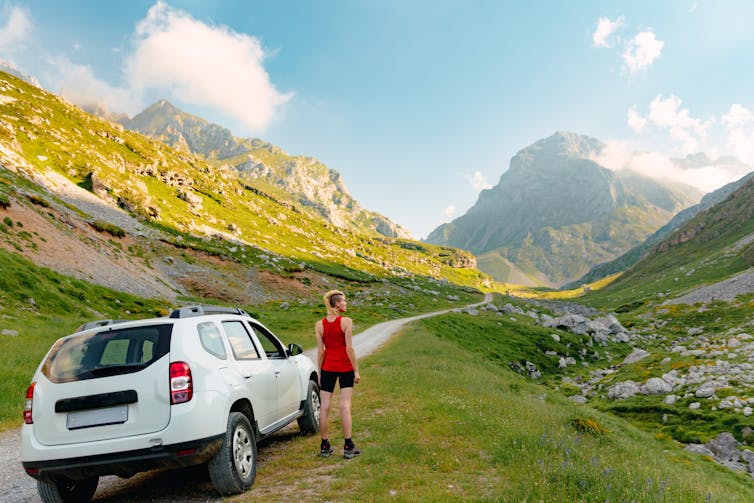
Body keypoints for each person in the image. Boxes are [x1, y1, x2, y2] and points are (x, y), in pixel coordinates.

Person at [315, 290, 361, 459]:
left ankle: (325, 445)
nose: (346, 304)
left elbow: (321, 351)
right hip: (345, 367)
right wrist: (356, 369)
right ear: (337, 304)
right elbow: (349, 348)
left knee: (325, 406)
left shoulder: (319, 324)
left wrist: (319, 371)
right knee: (345, 405)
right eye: (344, 301)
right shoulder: (347, 322)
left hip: (328, 367)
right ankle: (348, 446)